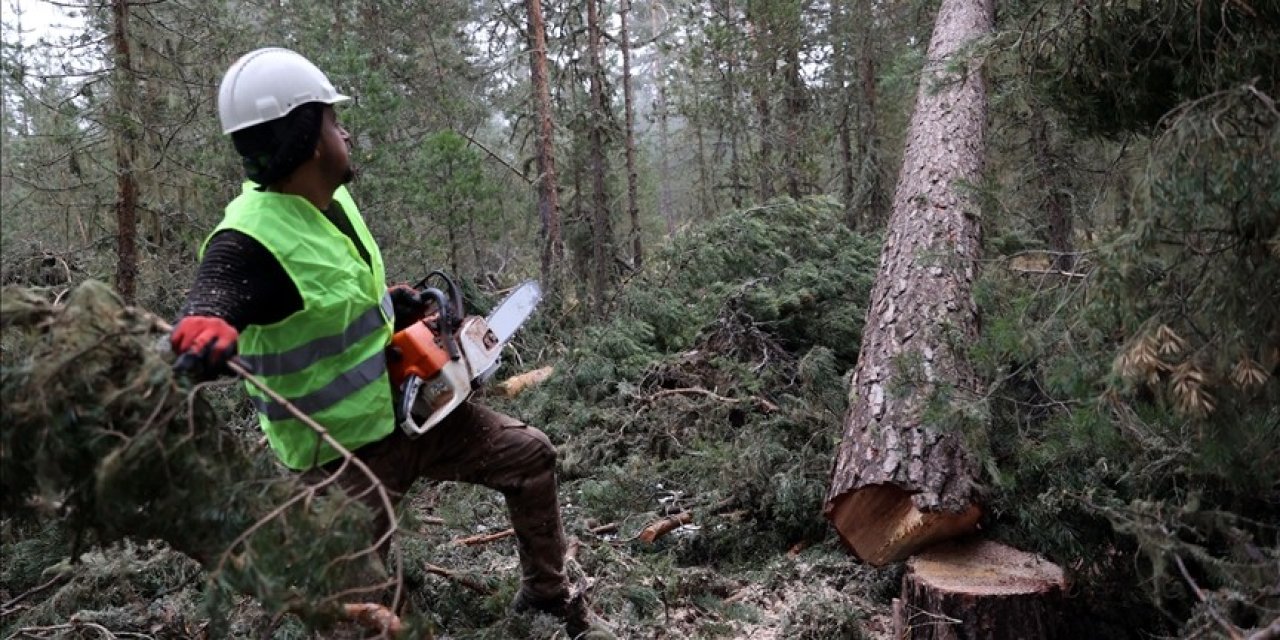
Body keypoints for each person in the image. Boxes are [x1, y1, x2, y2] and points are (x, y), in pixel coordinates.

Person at [170, 47, 609, 639]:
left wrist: (393, 307)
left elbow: (336, 296)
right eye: (331, 118)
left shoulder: (331, 201)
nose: (343, 129)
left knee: (529, 457)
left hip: (407, 413)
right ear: (306, 136)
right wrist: (206, 326)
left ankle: (547, 598)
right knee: (365, 620)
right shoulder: (249, 241)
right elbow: (215, 294)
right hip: (338, 464)